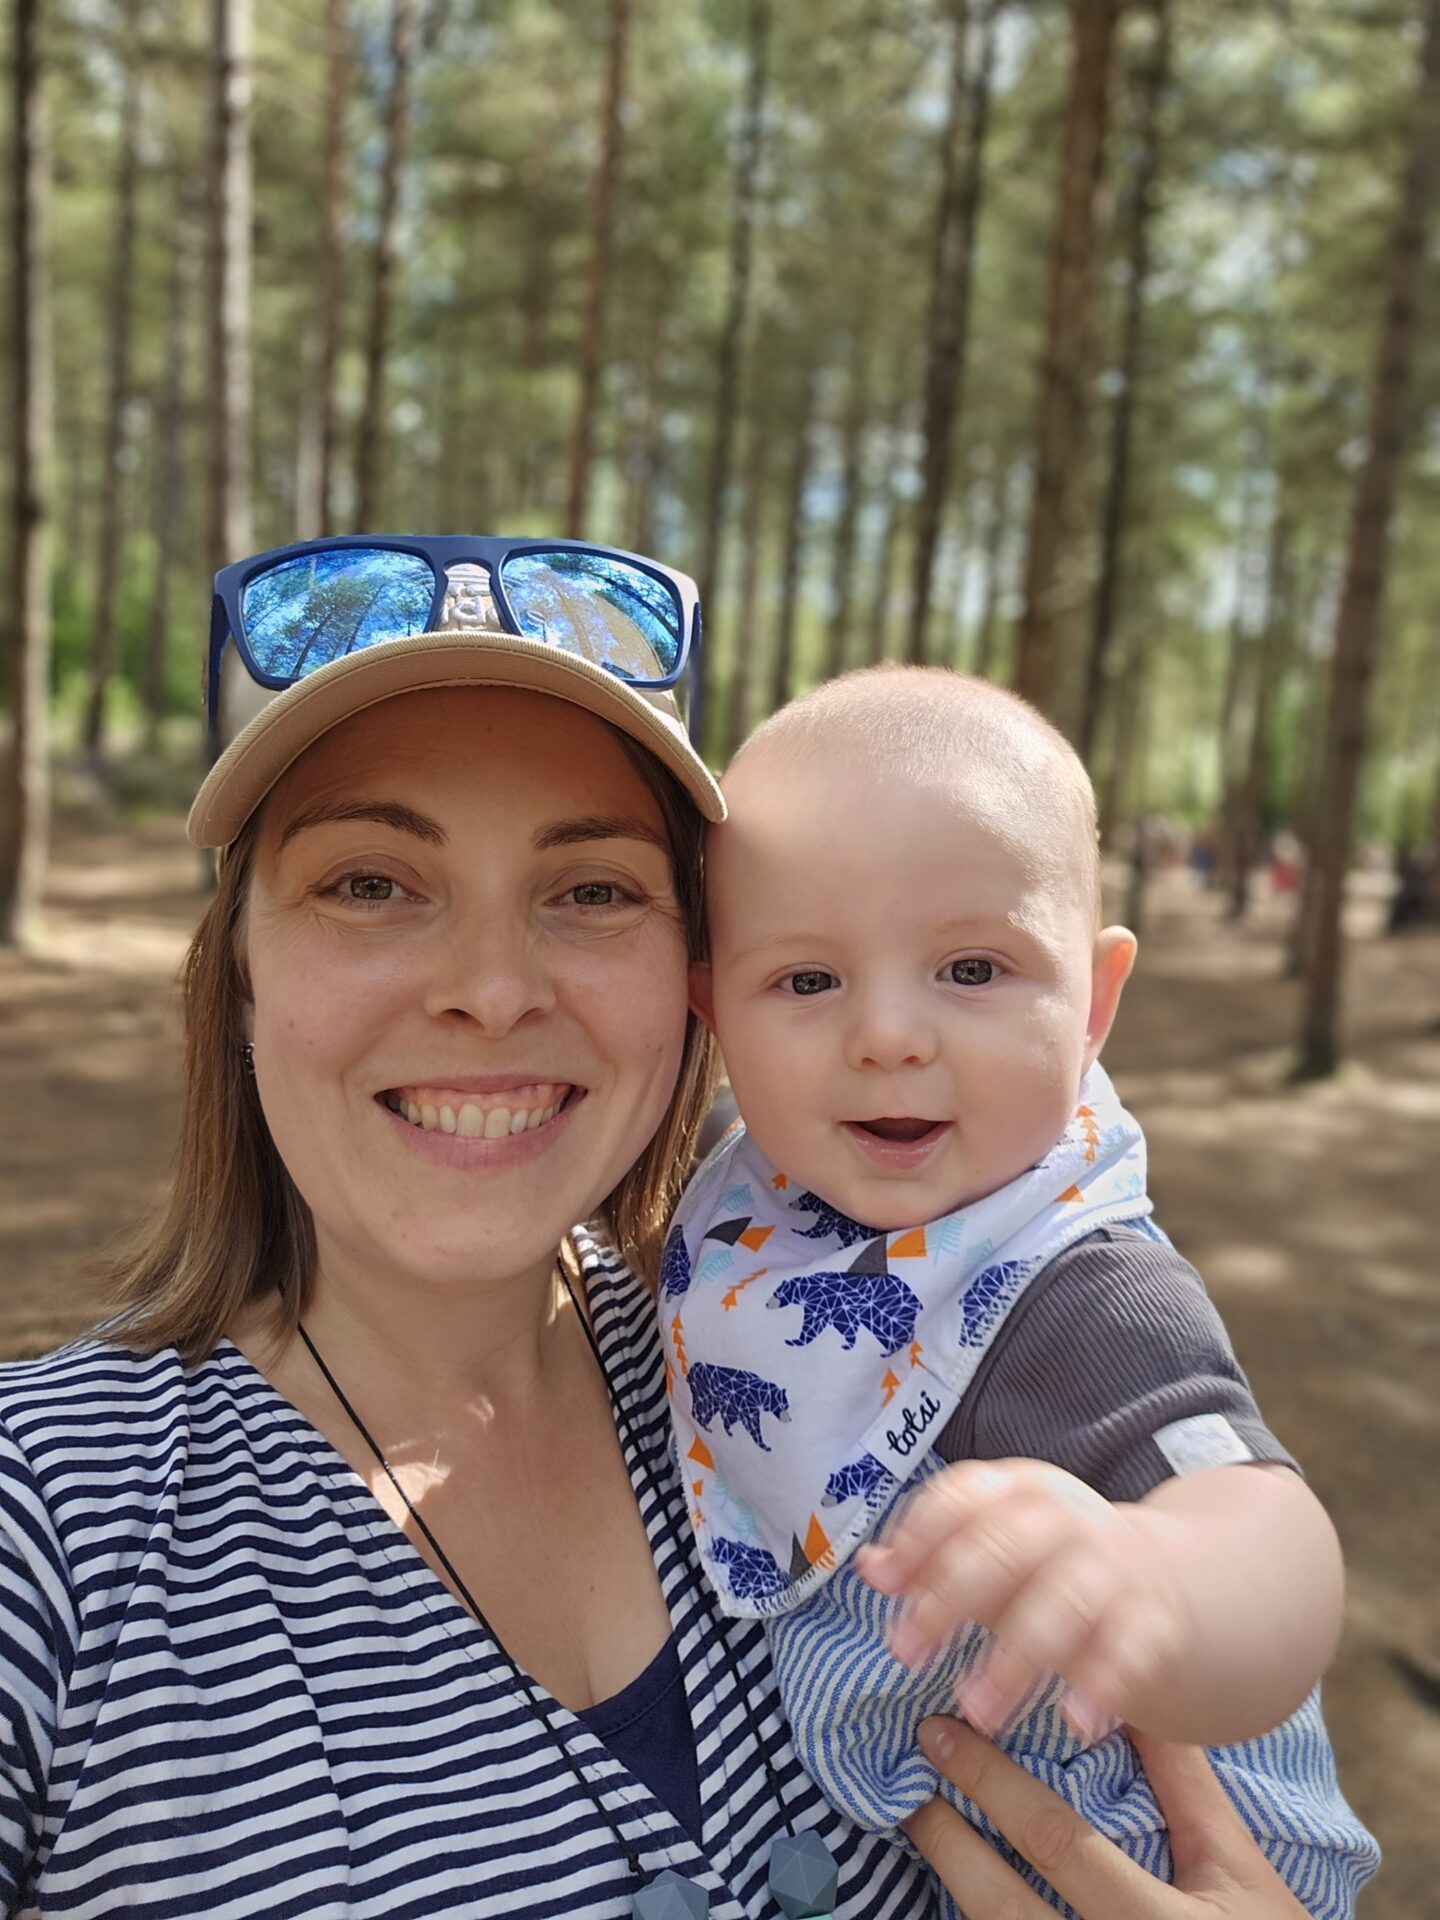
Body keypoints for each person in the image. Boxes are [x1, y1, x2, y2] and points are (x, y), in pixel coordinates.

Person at [0, 540, 1366, 1920]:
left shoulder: (816, 1300)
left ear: (685, 985)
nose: (490, 989)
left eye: (592, 889)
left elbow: (1243, 1540)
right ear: (235, 966)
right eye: (370, 882)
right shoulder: (44, 1527)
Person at [661, 665, 1379, 1915]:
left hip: (1147, 1853)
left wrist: (1155, 1570)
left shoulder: (1073, 1293)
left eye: (975, 971)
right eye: (807, 982)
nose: (887, 1035)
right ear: (715, 1010)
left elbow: (1278, 1541)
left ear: (1096, 1004)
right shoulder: (753, 1212)